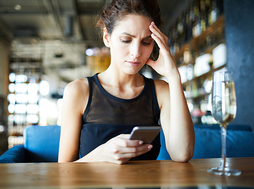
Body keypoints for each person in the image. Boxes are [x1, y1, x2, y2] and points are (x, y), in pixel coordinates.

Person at [58, 0, 195, 164]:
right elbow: (64, 171)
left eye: (146, 42)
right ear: (107, 38)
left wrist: (173, 76)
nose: (136, 53)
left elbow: (182, 154)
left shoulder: (161, 91)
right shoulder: (79, 91)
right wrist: (101, 154)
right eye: (126, 40)